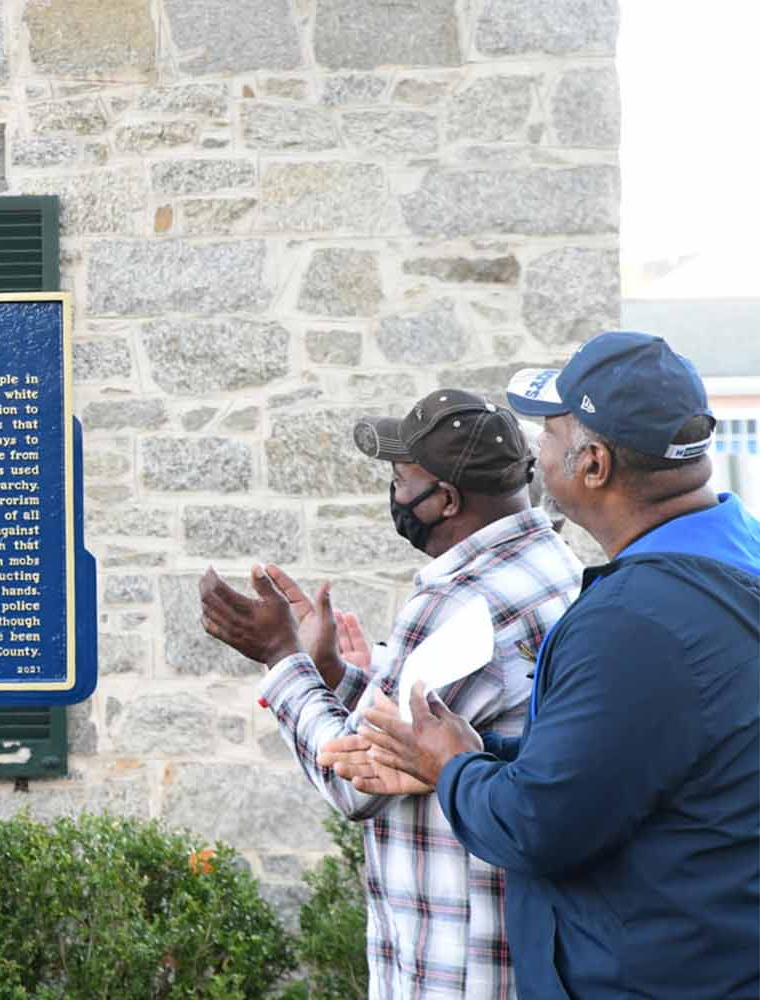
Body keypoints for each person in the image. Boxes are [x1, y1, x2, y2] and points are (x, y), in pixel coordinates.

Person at [324, 333, 760, 999]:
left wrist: (451, 767)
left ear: (593, 464)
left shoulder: (638, 619)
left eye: (548, 434)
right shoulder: (736, 553)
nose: (536, 453)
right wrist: (487, 750)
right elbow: (631, 754)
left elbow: (536, 827)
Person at [199, 389, 583, 999]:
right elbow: (441, 717)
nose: (396, 496)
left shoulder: (460, 598)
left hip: (457, 967)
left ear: (446, 500)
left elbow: (358, 781)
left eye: (403, 481)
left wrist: (282, 659)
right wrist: (336, 676)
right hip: (518, 951)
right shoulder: (550, 563)